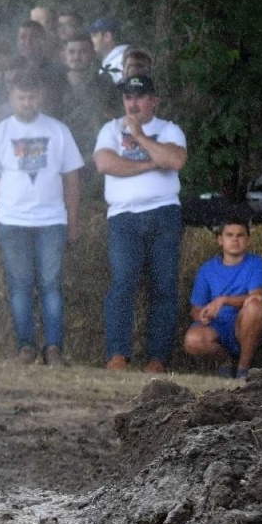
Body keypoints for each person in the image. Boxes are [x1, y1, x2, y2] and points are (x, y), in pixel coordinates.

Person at [0, 71, 83, 366]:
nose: (26, 103)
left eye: (31, 97)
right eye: (21, 98)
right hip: (11, 221)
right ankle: (26, 346)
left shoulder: (59, 131)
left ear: (41, 96)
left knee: (51, 285)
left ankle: (54, 348)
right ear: (11, 98)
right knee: (20, 286)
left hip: (52, 220)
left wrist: (73, 222)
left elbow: (72, 179)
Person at [95, 74, 188, 373]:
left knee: (164, 286)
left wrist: (140, 136)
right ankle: (117, 355)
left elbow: (175, 161)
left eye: (139, 97)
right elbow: (105, 164)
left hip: (164, 213)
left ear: (153, 100)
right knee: (123, 281)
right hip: (123, 216)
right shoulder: (110, 129)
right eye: (128, 97)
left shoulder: (169, 129)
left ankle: (157, 359)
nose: (132, 103)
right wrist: (151, 163)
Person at [183, 220, 262, 378]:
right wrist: (201, 316)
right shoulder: (207, 269)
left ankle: (243, 369)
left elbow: (257, 297)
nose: (235, 239)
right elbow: (196, 308)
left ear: (248, 240)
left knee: (255, 306)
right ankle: (224, 362)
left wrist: (224, 300)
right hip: (216, 324)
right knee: (192, 340)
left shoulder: (257, 264)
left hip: (243, 321)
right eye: (229, 235)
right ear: (220, 240)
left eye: (240, 235)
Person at [90, 17, 129, 81]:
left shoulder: (120, 61)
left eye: (94, 36)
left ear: (107, 36)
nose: (91, 41)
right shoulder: (119, 59)